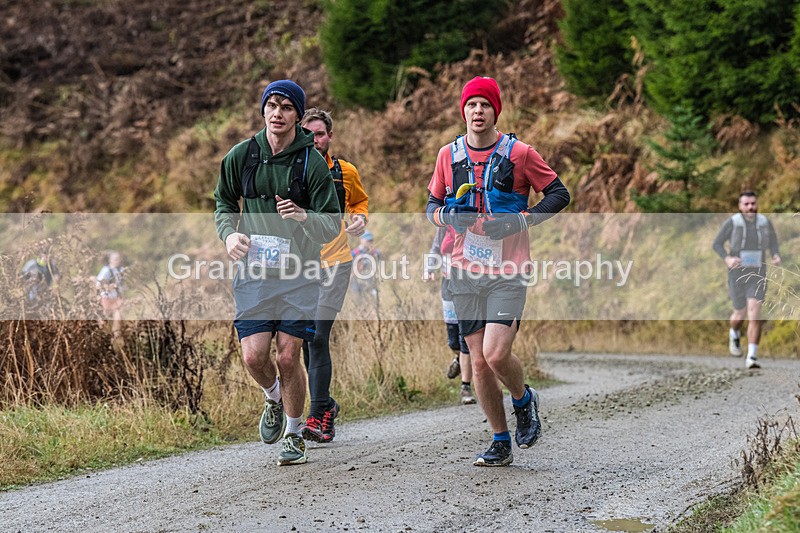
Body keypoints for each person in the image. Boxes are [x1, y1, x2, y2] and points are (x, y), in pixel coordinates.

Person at [426, 76, 570, 466]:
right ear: (463, 111)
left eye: (484, 105)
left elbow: (559, 194)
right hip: (462, 269)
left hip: (508, 268)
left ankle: (524, 399)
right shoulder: (448, 155)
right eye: (471, 105)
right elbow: (431, 207)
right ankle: (500, 440)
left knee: (495, 353)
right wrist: (446, 215)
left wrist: (518, 222)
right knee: (478, 360)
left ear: (495, 111)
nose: (477, 111)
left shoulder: (519, 153)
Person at [214, 80, 341, 466]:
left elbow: (332, 224)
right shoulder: (242, 155)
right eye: (272, 105)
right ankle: (272, 398)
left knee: (289, 357)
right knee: (254, 357)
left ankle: (294, 432)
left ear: (298, 116)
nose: (277, 113)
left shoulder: (311, 163)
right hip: (254, 273)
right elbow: (223, 202)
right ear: (263, 110)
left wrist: (304, 216)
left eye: (286, 107)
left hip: (299, 274)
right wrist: (229, 235)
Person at [299, 108, 369, 443]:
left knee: (317, 336)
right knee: (301, 337)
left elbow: (360, 202)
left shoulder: (345, 172)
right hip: (300, 265)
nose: (315, 140)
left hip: (336, 261)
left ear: (330, 136)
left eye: (321, 134)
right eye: (308, 133)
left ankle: (319, 415)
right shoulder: (292, 170)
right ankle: (324, 402)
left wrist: (359, 219)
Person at [712, 191, 781, 369]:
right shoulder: (733, 223)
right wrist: (727, 259)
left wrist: (775, 255)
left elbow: (773, 241)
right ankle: (734, 331)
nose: (750, 207)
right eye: (747, 204)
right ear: (740, 206)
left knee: (754, 312)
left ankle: (752, 356)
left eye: (753, 203)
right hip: (737, 272)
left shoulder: (764, 222)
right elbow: (717, 243)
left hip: (758, 271)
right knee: (739, 313)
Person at [424, 225, 475, 405]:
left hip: (469, 286)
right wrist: (430, 268)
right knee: (453, 341)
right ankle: (460, 360)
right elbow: (436, 248)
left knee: (465, 339)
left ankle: (465, 387)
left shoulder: (473, 224)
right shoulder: (444, 225)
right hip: (447, 286)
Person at [96, 251, 125, 336]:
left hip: (117, 297)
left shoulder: (121, 269)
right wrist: (107, 288)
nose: (118, 261)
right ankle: (102, 333)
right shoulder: (106, 270)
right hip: (107, 297)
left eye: (119, 259)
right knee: (105, 319)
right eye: (116, 259)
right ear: (110, 260)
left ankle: (117, 335)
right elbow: (98, 283)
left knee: (118, 317)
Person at [350, 231, 382, 298]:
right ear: (361, 239)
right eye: (367, 240)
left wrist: (373, 253)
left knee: (373, 300)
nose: (369, 242)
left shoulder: (374, 252)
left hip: (370, 281)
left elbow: (379, 256)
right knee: (357, 300)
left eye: (370, 241)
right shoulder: (355, 253)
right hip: (357, 281)